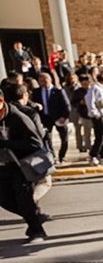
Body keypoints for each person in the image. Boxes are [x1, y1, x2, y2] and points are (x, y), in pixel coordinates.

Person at [0, 90, 49, 244]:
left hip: (21, 166)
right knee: (4, 199)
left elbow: (35, 143)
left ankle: (37, 231)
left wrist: (6, 144)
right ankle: (35, 216)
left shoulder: (17, 118)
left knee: (24, 199)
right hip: (3, 167)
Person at [32, 72, 70, 163]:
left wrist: (64, 117)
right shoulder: (36, 92)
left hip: (59, 118)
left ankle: (62, 156)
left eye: (45, 80)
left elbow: (67, 105)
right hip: (45, 118)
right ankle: (52, 156)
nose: (43, 82)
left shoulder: (58, 91)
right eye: (40, 81)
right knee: (47, 138)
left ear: (50, 80)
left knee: (64, 138)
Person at [84, 73, 103, 165]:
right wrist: (96, 114)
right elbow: (90, 101)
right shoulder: (95, 88)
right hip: (100, 116)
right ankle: (93, 155)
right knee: (100, 137)